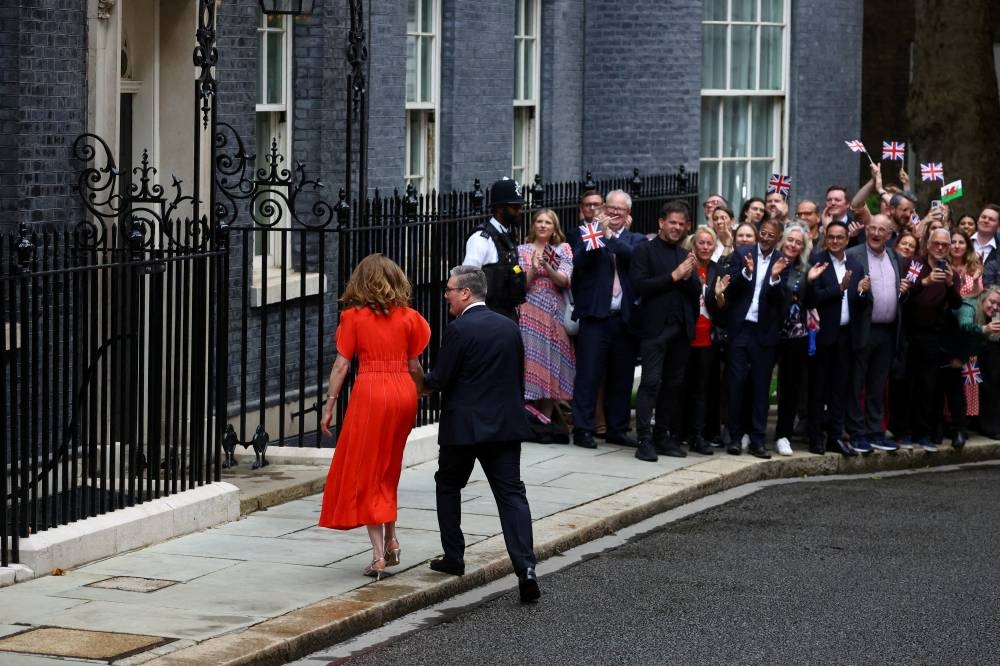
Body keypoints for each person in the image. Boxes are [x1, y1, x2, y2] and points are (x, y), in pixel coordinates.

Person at [417, 266, 540, 603]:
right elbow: (516, 376)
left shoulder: (459, 329)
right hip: (504, 426)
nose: (446, 296)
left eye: (450, 290)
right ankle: (526, 568)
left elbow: (440, 379)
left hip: (465, 428)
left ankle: (454, 557)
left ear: (466, 293)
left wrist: (417, 375)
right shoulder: (509, 326)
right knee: (511, 494)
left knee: (448, 484)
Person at [318, 254, 431, 580]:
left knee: (369, 471)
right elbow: (414, 366)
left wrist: (329, 405)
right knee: (388, 467)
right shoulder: (410, 318)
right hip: (402, 394)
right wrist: (422, 389)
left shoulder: (353, 318)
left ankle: (379, 555)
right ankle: (392, 537)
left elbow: (341, 366)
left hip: (371, 392)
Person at [568, 189, 645, 449]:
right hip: (596, 316)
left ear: (628, 214)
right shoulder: (589, 232)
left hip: (624, 319)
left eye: (619, 210)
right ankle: (583, 429)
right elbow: (579, 260)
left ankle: (617, 429)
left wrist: (610, 236)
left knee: (621, 377)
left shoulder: (636, 239)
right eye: (609, 207)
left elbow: (632, 258)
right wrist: (599, 234)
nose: (613, 213)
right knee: (588, 375)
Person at [630, 201, 702, 461]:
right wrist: (674, 276)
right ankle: (644, 440)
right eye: (673, 222)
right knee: (650, 383)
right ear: (661, 222)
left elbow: (696, 292)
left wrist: (687, 277)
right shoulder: (644, 251)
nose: (677, 228)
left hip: (680, 330)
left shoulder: (685, 254)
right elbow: (639, 286)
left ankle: (662, 437)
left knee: (673, 385)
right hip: (654, 330)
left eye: (682, 224)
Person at [721, 218, 784, 458]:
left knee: (760, 387)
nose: (766, 238)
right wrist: (747, 272)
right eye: (763, 233)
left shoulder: (781, 260)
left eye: (771, 235)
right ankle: (735, 438)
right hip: (740, 330)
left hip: (764, 333)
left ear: (777, 238)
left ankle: (758, 440)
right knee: (736, 385)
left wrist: (775, 279)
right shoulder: (742, 253)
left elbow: (781, 301)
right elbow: (731, 289)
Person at [805, 220, 866, 456]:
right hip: (822, 335)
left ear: (847, 239)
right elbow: (811, 298)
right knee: (818, 388)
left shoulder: (855, 264)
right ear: (825, 238)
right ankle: (816, 436)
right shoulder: (816, 261)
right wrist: (839, 289)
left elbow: (861, 303)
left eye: (839, 237)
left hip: (846, 335)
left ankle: (836, 435)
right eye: (831, 237)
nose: (835, 241)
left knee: (840, 389)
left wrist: (862, 290)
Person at [900, 228, 964, 451]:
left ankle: (923, 433)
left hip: (933, 335)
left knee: (928, 386)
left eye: (944, 245)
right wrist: (925, 282)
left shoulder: (951, 273)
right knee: (907, 383)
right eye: (936, 243)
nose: (940, 248)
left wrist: (948, 285)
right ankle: (904, 431)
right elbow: (904, 295)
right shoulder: (914, 264)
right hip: (909, 332)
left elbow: (956, 304)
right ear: (927, 244)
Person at [844, 214, 904, 454]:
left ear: (889, 235)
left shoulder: (895, 256)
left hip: (888, 331)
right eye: (872, 228)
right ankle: (856, 432)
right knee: (857, 383)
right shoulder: (854, 254)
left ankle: (875, 430)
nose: (876, 233)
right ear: (866, 230)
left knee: (878, 385)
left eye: (882, 230)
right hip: (862, 329)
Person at [517, 208, 575, 439]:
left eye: (547, 222)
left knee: (552, 361)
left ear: (554, 227)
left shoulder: (563, 249)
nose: (542, 225)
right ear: (533, 225)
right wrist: (532, 267)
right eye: (539, 221)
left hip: (554, 312)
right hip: (530, 311)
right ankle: (531, 418)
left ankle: (547, 419)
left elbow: (564, 280)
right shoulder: (522, 250)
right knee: (530, 361)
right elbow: (520, 284)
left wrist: (548, 266)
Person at [463, 177, 527, 320]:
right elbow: (466, 281)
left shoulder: (506, 236)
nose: (520, 211)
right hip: (488, 317)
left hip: (507, 314)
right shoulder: (481, 239)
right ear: (499, 208)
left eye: (520, 207)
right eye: (515, 207)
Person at [773, 224, 812, 456]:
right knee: (758, 384)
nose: (793, 245)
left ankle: (783, 435)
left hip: (795, 335)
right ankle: (750, 432)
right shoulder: (771, 262)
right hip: (769, 332)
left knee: (790, 388)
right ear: (783, 241)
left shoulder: (805, 269)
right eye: (790, 240)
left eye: (798, 242)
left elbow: (811, 300)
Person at [950, 230, 984, 426]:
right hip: (948, 325)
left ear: (967, 246)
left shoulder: (975, 268)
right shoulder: (943, 266)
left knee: (968, 371)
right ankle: (948, 418)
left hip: (968, 326)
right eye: (953, 241)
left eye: (961, 242)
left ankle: (966, 418)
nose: (956, 245)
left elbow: (979, 299)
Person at [958, 286, 1000, 438]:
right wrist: (985, 329)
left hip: (977, 350)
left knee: (987, 380)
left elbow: (996, 337)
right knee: (963, 387)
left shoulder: (995, 311)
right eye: (992, 302)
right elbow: (965, 327)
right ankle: (960, 426)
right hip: (955, 350)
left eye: (998, 305)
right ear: (983, 298)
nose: (995, 307)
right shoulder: (969, 306)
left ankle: (984, 423)